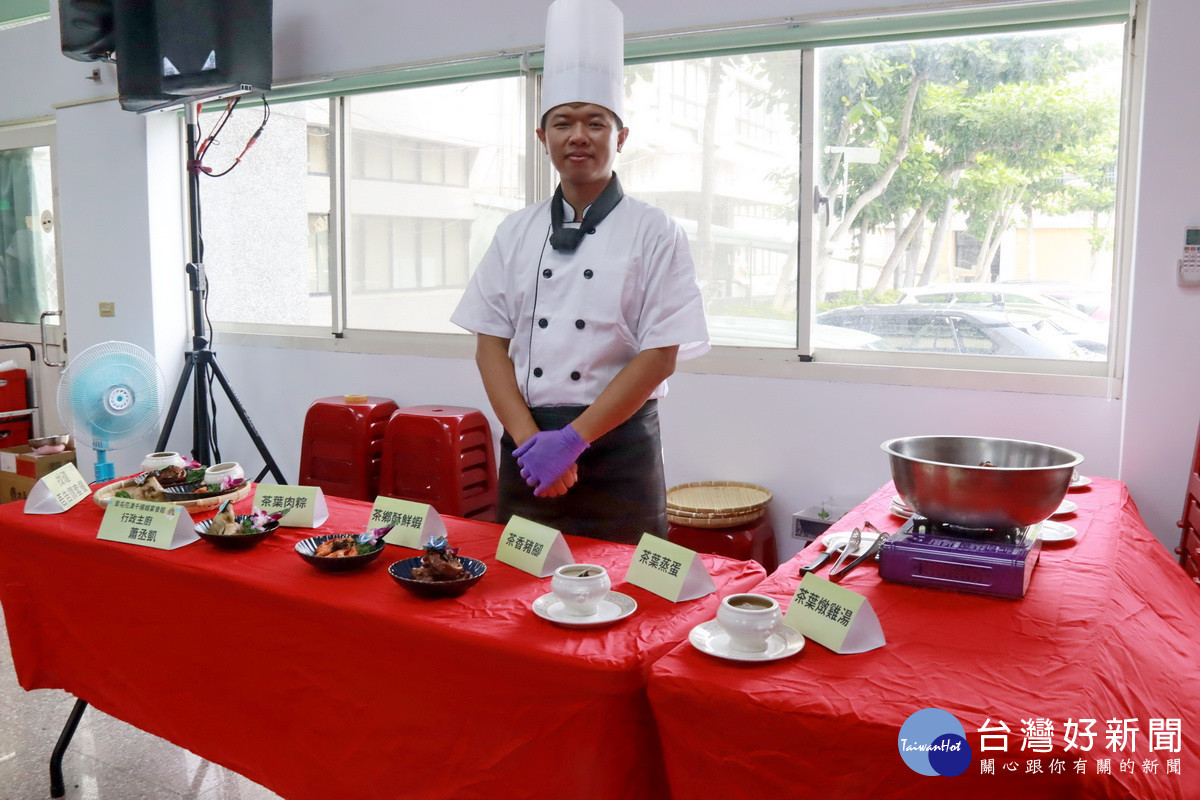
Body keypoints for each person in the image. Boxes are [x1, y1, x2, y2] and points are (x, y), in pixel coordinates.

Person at [450, 0, 709, 544]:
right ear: (541, 136)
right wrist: (531, 443)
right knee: (519, 599)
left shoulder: (655, 230)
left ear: (621, 136)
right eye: (563, 122)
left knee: (626, 603)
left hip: (618, 450)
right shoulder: (514, 231)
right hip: (528, 452)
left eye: (597, 122)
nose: (579, 136)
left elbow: (660, 355)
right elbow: (490, 345)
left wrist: (572, 442)